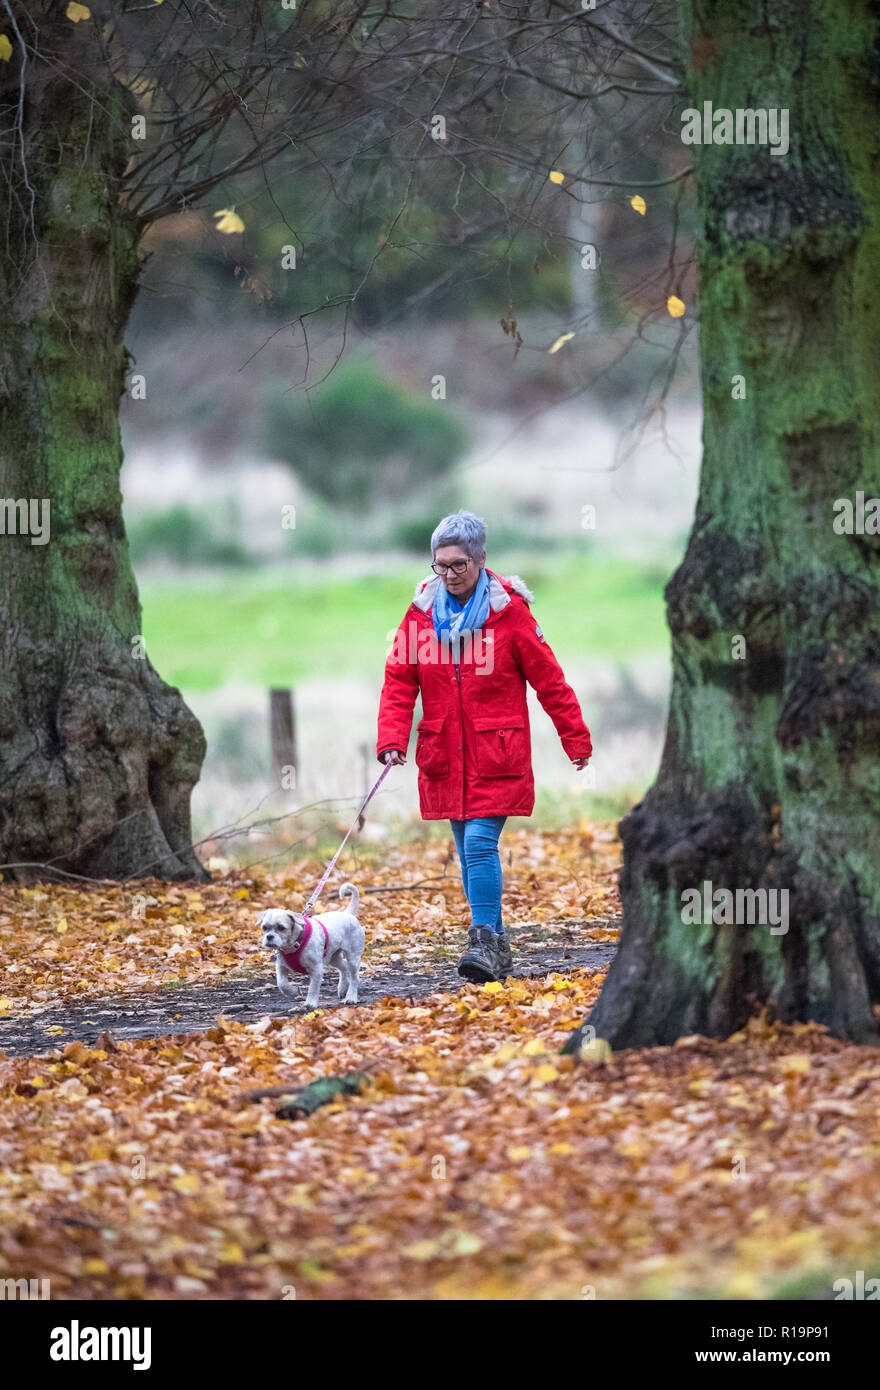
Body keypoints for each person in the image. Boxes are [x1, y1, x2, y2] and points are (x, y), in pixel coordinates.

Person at [376, 510, 592, 983]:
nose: (449, 576)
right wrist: (392, 738)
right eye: (441, 566)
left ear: (480, 559)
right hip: (443, 757)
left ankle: (481, 940)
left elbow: (549, 680)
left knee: (478, 844)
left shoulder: (509, 613)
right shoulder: (420, 615)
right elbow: (398, 680)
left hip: (498, 755)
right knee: (467, 852)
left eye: (459, 566)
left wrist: (574, 737)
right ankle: (494, 949)